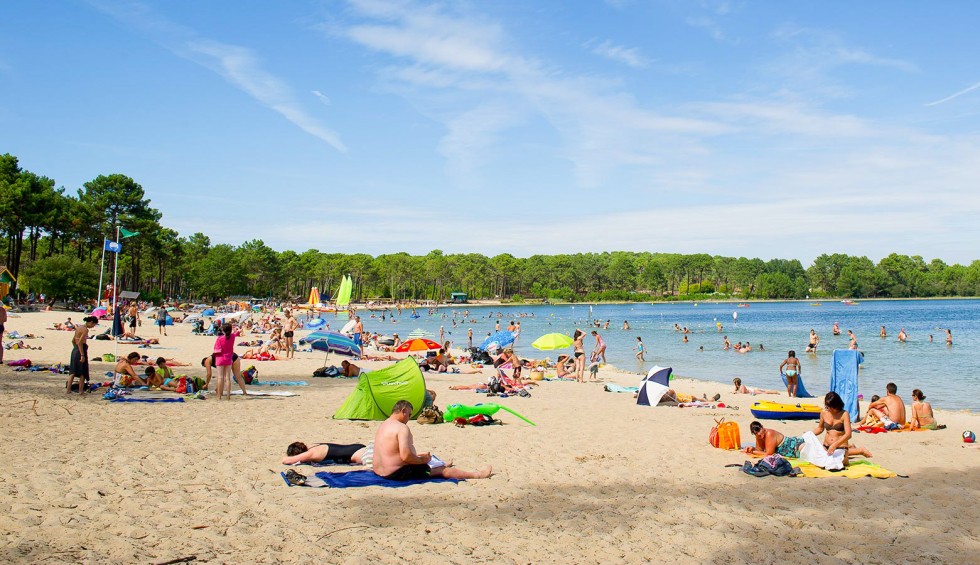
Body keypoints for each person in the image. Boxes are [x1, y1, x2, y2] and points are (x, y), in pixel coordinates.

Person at [372, 399, 491, 481]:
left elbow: (392, 452)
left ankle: (438, 462)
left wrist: (419, 457)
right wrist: (422, 461)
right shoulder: (402, 428)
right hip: (396, 473)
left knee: (425, 457)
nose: (409, 418)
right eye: (409, 414)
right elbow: (405, 456)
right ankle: (477, 475)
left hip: (380, 471)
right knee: (442, 470)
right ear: (403, 411)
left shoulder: (383, 425)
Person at [814, 391, 872, 461]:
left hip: (840, 446)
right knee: (819, 460)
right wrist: (808, 434)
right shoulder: (824, 413)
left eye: (832, 407)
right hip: (826, 446)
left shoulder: (844, 414)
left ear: (837, 405)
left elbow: (848, 434)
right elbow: (820, 429)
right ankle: (852, 447)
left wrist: (835, 445)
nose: (830, 409)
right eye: (828, 407)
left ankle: (860, 450)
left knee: (836, 463)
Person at [66, 316, 98, 394]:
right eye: (93, 325)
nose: (93, 326)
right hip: (81, 350)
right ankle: (80, 391)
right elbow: (80, 342)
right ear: (91, 322)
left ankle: (68, 390)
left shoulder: (78, 328)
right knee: (82, 372)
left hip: (75, 350)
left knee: (72, 371)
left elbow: (73, 340)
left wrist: (76, 348)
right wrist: (82, 354)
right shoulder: (85, 329)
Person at [283, 442, 370, 465]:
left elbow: (287, 460)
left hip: (355, 454)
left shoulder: (311, 453)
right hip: (356, 447)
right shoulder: (313, 446)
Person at [213, 323, 238, 400]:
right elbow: (236, 332)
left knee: (220, 377)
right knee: (227, 377)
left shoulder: (220, 338)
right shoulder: (233, 337)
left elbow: (216, 349)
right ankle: (228, 395)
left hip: (220, 358)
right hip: (228, 358)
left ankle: (219, 396)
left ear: (223, 330)